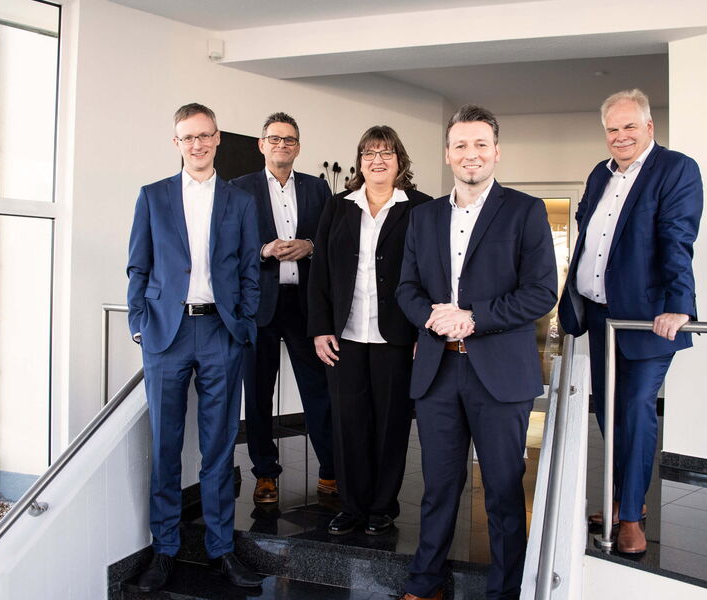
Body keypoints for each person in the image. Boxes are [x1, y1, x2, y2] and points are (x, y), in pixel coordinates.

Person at [396, 105, 557, 600]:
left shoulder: (525, 211)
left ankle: (506, 590)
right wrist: (433, 318)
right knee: (439, 487)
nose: (471, 154)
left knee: (504, 492)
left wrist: (472, 317)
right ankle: (426, 581)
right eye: (461, 145)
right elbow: (406, 288)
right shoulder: (422, 217)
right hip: (438, 370)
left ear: (496, 152)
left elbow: (541, 292)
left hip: (500, 373)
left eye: (481, 144)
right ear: (447, 154)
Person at [557, 88, 703, 555]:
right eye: (613, 129)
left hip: (648, 318)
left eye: (629, 127)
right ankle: (621, 499)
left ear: (649, 127)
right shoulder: (599, 174)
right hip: (601, 314)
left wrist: (679, 305)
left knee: (637, 408)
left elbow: (677, 237)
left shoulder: (675, 168)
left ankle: (633, 517)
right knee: (609, 412)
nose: (620, 136)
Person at [127, 103, 263, 591]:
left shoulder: (240, 201)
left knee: (219, 447)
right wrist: (139, 323)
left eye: (205, 135)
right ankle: (164, 550)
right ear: (177, 143)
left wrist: (244, 322)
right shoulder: (153, 196)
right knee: (165, 447)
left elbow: (250, 268)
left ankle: (221, 549)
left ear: (218, 138)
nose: (198, 144)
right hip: (166, 334)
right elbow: (138, 265)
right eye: (188, 137)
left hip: (221, 333)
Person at [307, 125, 432, 537]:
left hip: (397, 336)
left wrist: (424, 332)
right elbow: (320, 271)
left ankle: (382, 506)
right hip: (344, 335)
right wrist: (320, 328)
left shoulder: (420, 208)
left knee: (391, 424)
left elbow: (432, 275)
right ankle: (352, 505)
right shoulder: (338, 206)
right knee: (348, 424)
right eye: (369, 153)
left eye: (386, 153)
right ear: (360, 162)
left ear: (400, 161)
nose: (377, 160)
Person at [231, 113, 336, 505]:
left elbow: (332, 240)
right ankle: (265, 473)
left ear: (298, 147)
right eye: (274, 139)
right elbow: (227, 247)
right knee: (258, 394)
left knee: (319, 389)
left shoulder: (318, 188)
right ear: (262, 145)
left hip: (305, 305)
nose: (282, 145)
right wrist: (263, 250)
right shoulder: (239, 189)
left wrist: (310, 246)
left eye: (289, 140)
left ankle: (331, 469)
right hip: (259, 306)